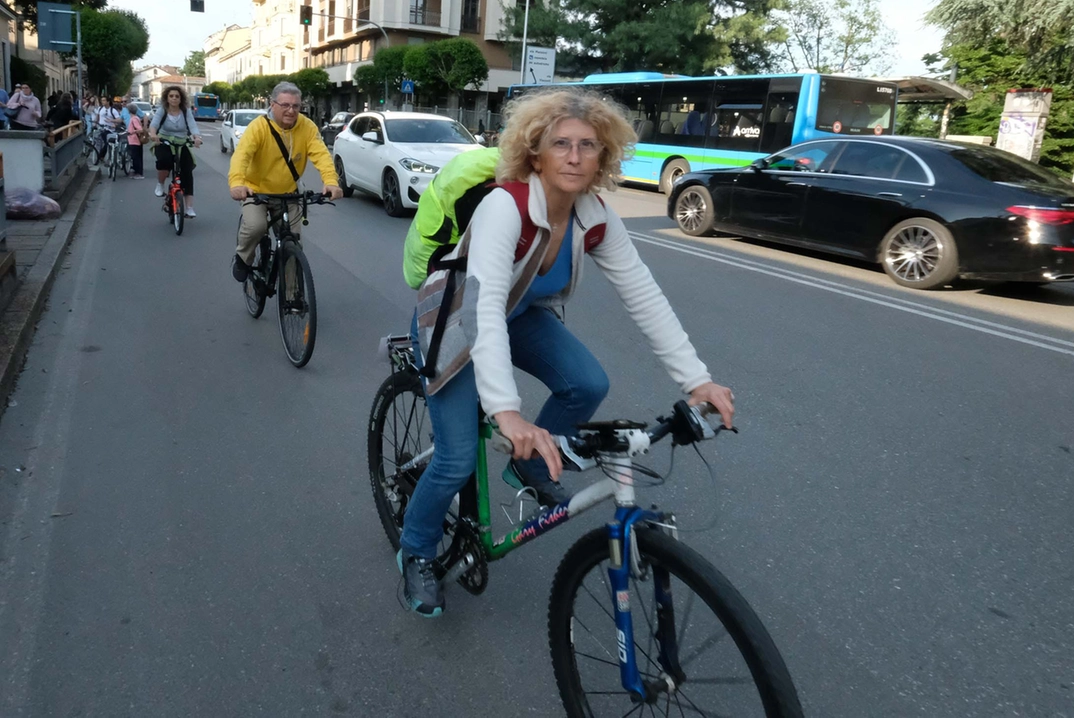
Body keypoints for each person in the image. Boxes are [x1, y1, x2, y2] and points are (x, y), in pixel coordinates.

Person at [395, 88, 736, 618]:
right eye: (561, 143)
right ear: (535, 153)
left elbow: (642, 293)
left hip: (519, 312)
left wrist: (696, 380)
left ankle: (529, 467)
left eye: (589, 145)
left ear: (605, 157)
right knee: (457, 456)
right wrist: (507, 413)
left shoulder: (593, 214)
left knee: (587, 383)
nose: (575, 156)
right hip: (458, 318)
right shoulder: (504, 206)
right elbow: (482, 309)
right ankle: (416, 550)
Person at [227, 81, 342, 282]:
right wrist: (237, 183)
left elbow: (321, 155)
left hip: (289, 194)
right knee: (256, 227)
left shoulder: (306, 126)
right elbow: (242, 156)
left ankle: (293, 297)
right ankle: (243, 258)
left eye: (296, 106)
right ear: (273, 105)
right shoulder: (259, 127)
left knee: (293, 245)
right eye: (285, 105)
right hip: (256, 193)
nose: (291, 111)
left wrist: (331, 181)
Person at [149, 86, 202, 218]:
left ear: (181, 98)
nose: (174, 98)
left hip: (181, 142)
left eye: (177, 96)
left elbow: (193, 125)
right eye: (171, 96)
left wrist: (197, 137)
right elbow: (154, 124)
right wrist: (153, 135)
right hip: (164, 141)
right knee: (164, 161)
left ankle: (189, 207)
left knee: (187, 171)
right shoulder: (162, 110)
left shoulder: (185, 111)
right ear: (167, 98)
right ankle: (160, 184)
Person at [125, 102, 147, 179]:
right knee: (135, 157)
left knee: (136, 157)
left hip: (134, 140)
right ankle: (136, 172)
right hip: (133, 140)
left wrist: (132, 132)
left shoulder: (134, 119)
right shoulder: (135, 118)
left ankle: (139, 173)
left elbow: (140, 130)